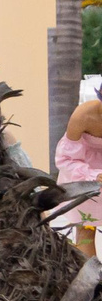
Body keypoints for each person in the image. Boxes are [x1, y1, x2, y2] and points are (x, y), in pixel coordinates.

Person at [57, 98, 102, 259]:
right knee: (85, 230)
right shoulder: (83, 115)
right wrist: (93, 175)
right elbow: (65, 159)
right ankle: (92, 282)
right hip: (83, 175)